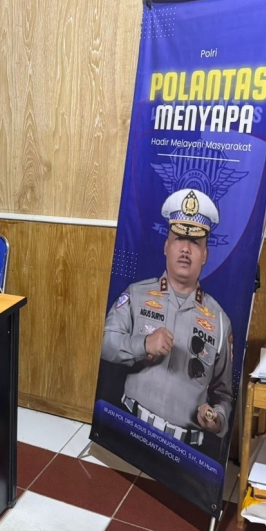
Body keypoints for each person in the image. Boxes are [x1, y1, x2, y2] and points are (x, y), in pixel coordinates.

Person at [100, 188, 234, 457]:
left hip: (183, 452)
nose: (185, 249)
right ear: (166, 246)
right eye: (179, 238)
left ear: (205, 255)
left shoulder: (220, 322)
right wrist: (143, 344)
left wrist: (217, 419)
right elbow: (104, 343)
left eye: (195, 242)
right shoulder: (136, 295)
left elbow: (224, 395)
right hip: (130, 429)